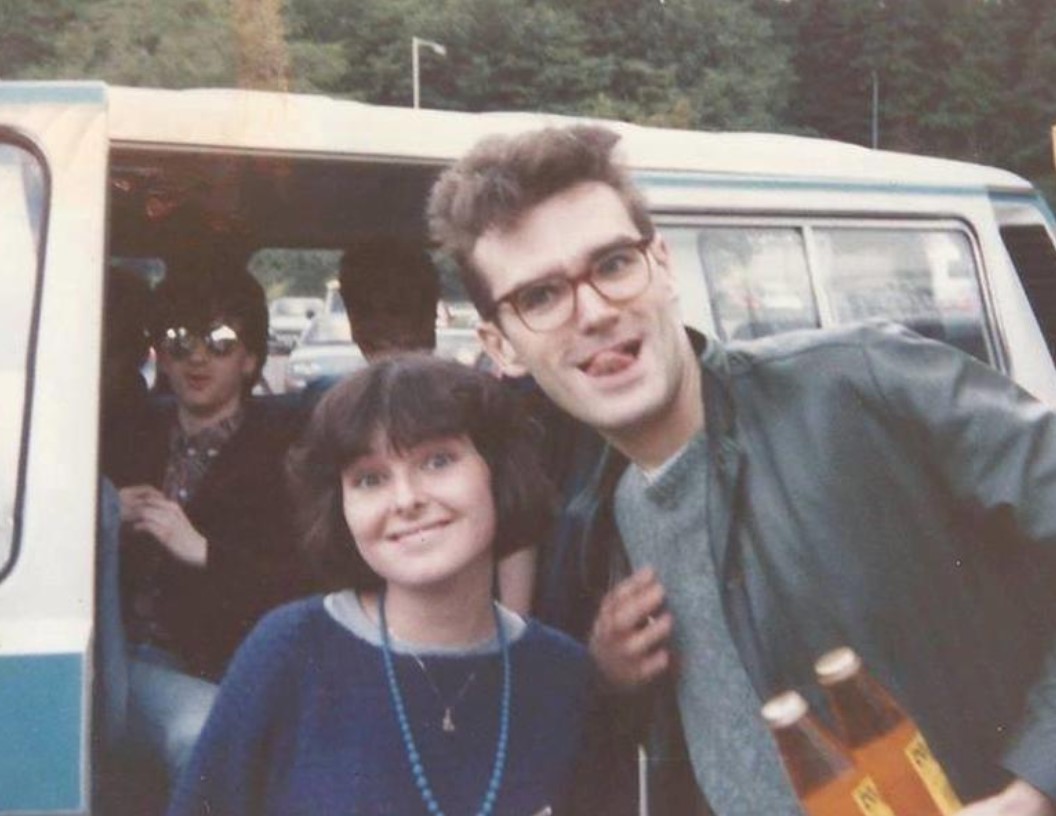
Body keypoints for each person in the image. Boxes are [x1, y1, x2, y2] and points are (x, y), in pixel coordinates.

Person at [426, 124, 1056, 814]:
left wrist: (1034, 789)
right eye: (539, 297)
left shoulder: (859, 385)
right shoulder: (599, 522)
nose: (594, 311)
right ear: (499, 346)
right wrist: (611, 678)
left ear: (661, 266)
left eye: (611, 265)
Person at [168, 354, 610, 816]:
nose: (406, 500)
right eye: (370, 479)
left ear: (497, 471)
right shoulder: (289, 652)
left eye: (437, 461)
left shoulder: (562, 677)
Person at [101, 268, 306, 785]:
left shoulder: (284, 453)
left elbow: (302, 587)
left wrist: (202, 552)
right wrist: (105, 511)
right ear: (160, 358)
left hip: (212, 665)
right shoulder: (124, 434)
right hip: (110, 654)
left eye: (219, 342)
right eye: (178, 341)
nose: (196, 357)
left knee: (199, 731)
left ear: (251, 360)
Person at [336, 236, 539, 614]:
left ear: (430, 313)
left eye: (399, 309)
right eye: (366, 311)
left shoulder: (479, 404)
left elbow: (518, 529)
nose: (383, 326)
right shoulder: (338, 418)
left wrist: (514, 633)